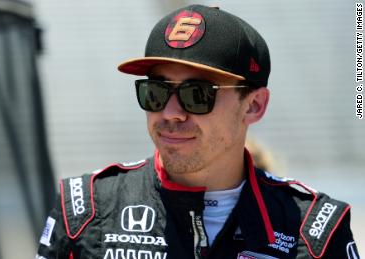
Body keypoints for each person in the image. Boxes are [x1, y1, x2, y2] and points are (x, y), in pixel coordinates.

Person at [36, 4, 360, 259]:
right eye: (156, 91)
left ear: (254, 105)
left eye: (198, 94)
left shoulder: (316, 228)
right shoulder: (84, 208)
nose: (171, 113)